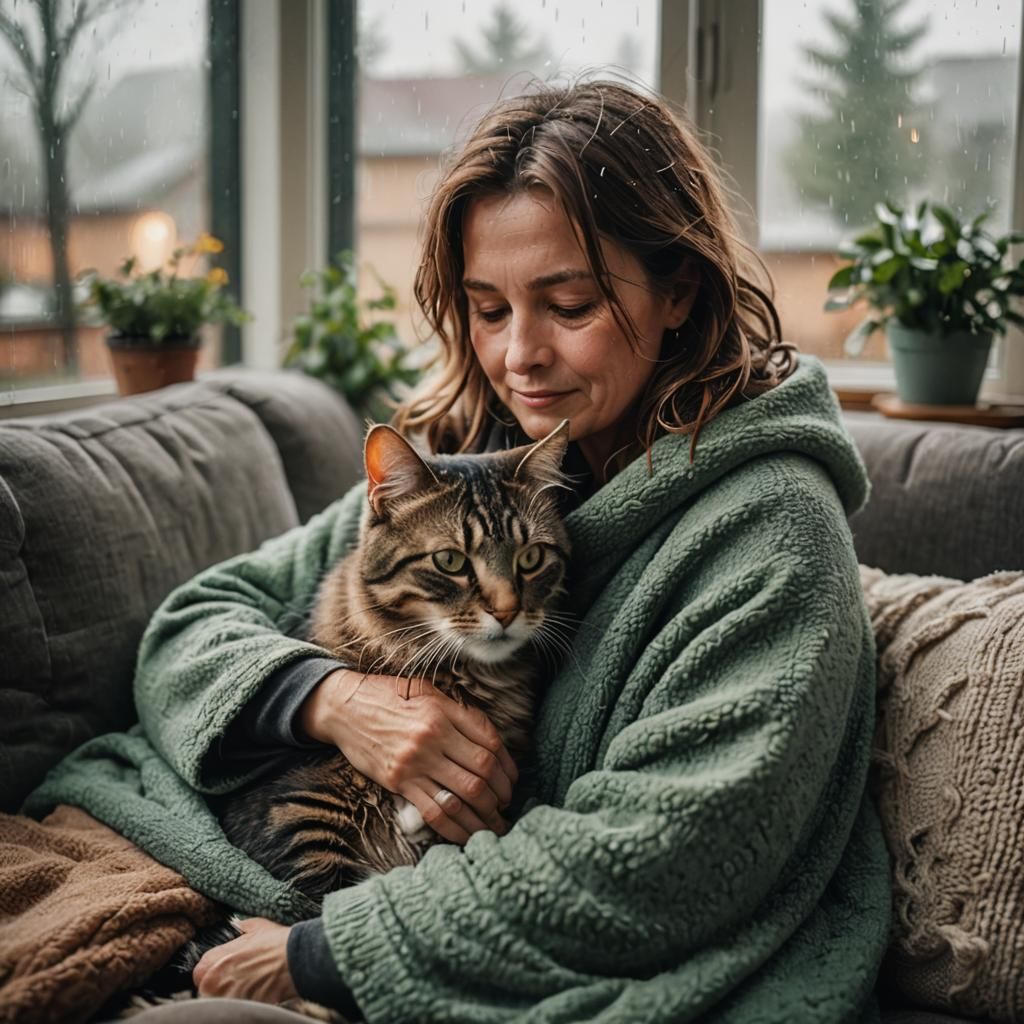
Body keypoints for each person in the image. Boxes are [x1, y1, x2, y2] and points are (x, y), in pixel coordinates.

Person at [103, 78, 891, 1022]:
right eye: (487, 309)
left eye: (568, 304)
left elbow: (668, 861)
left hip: (556, 963)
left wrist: (321, 957)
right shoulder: (469, 453)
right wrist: (336, 700)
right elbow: (188, 628)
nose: (519, 355)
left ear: (678, 292)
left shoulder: (772, 527)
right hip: (302, 874)